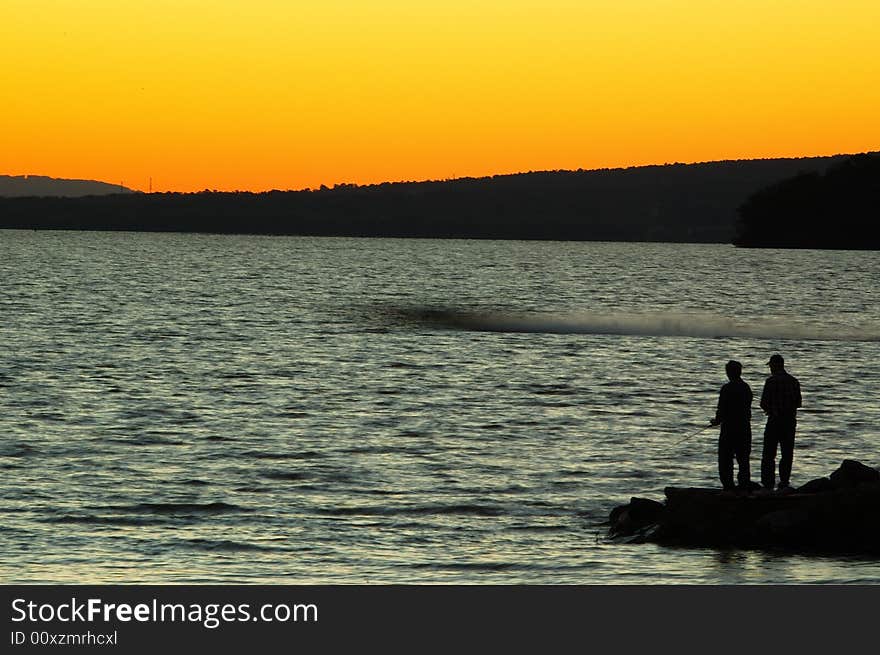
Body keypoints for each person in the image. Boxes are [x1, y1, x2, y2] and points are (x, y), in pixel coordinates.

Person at [760, 354, 802, 493]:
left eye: (771, 365)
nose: (770, 368)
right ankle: (784, 482)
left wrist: (771, 409)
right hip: (789, 422)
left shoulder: (770, 381)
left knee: (769, 454)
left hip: (774, 421)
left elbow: (763, 403)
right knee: (787, 453)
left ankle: (768, 484)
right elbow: (798, 403)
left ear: (775, 365)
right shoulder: (794, 381)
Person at [710, 360, 753, 494]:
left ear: (729, 372)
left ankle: (728, 486)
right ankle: (744, 484)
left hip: (729, 428)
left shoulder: (727, 388)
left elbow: (722, 408)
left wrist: (716, 421)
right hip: (744, 427)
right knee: (743, 458)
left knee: (725, 458)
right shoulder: (746, 387)